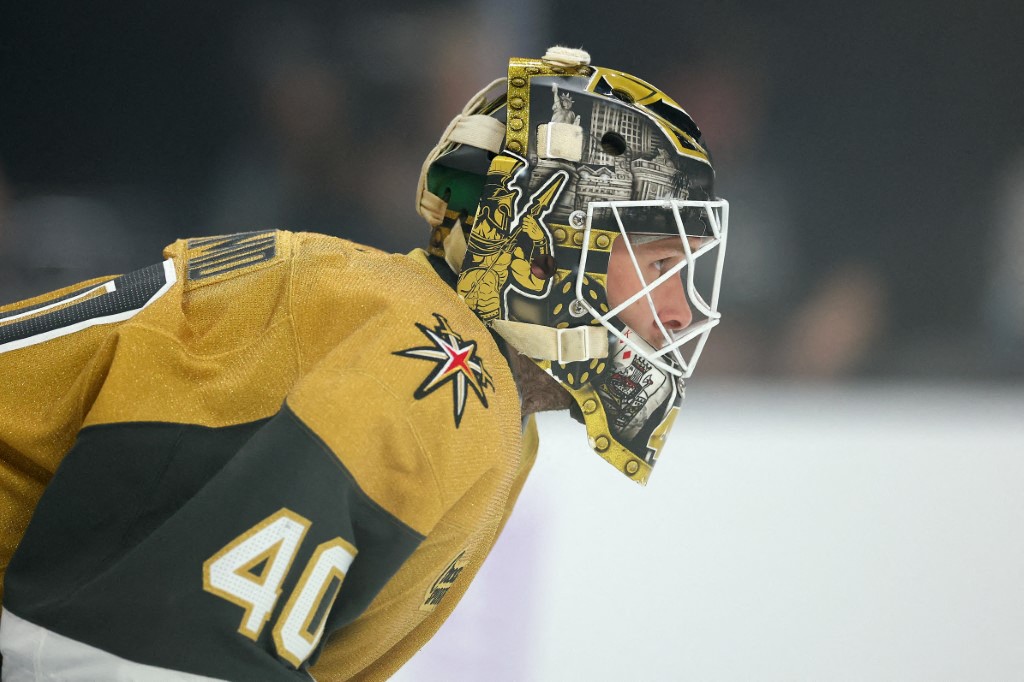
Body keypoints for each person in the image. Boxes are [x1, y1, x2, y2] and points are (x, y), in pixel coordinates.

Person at [0, 46, 728, 680]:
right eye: (662, 265)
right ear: (543, 253)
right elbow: (139, 648)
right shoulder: (437, 369)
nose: (682, 312)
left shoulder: (455, 365)